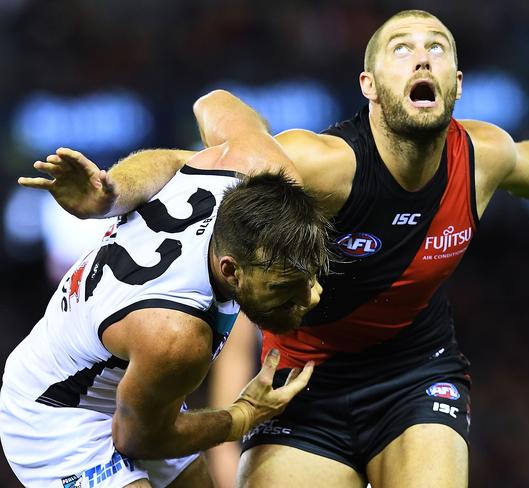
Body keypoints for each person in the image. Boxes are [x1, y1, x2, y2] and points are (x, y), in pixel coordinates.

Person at [31, 9, 529, 488]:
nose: (421, 55)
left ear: (457, 83)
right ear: (370, 85)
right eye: (401, 48)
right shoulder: (320, 166)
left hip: (415, 374)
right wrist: (113, 191)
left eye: (437, 46)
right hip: (301, 387)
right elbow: (195, 164)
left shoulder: (482, 157)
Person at [0, 103, 331, 487]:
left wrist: (114, 191)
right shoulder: (177, 336)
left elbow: (210, 105)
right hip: (56, 416)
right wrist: (241, 416)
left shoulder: (257, 168)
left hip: (133, 387)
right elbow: (136, 437)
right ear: (230, 270)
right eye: (283, 288)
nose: (312, 298)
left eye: (308, 279)